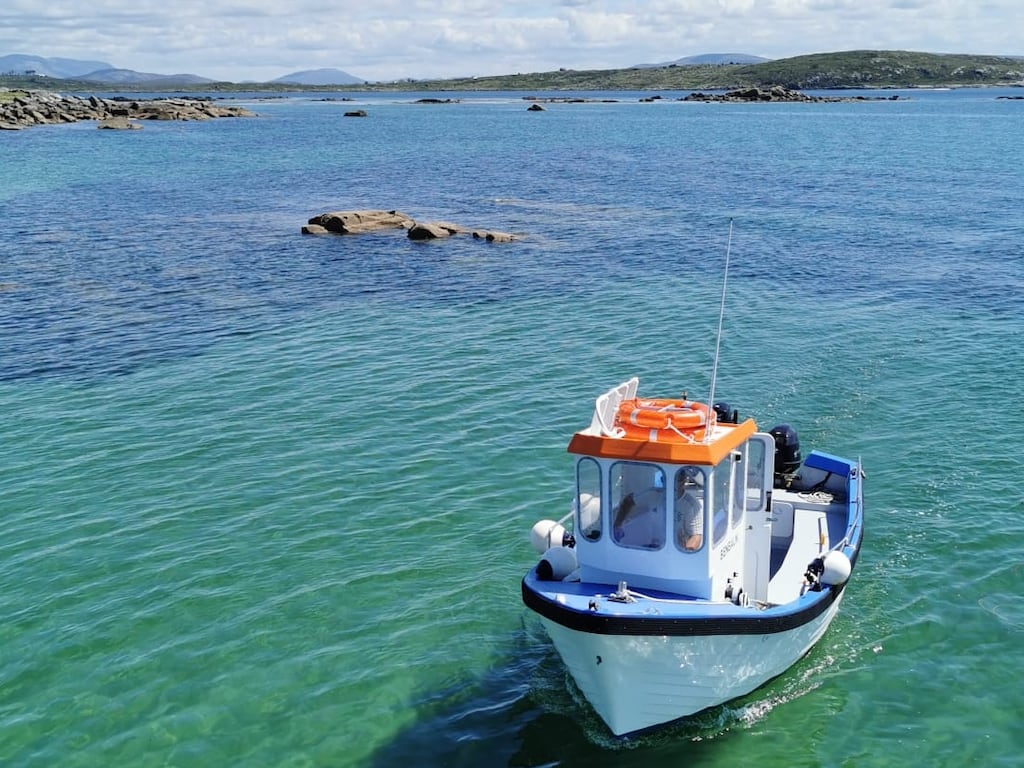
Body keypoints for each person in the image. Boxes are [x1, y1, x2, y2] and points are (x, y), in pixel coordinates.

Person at [675, 468, 704, 551]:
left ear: (683, 482)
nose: (671, 484)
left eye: (676, 481)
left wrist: (686, 554)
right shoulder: (654, 495)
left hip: (677, 550)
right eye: (664, 480)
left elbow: (696, 536)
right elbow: (635, 503)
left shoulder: (692, 505)